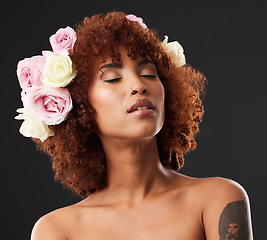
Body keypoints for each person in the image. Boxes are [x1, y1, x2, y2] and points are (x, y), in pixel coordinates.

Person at [15, 11, 253, 240]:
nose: (138, 85)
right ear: (79, 106)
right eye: (112, 78)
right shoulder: (56, 230)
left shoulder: (218, 199)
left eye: (149, 73)